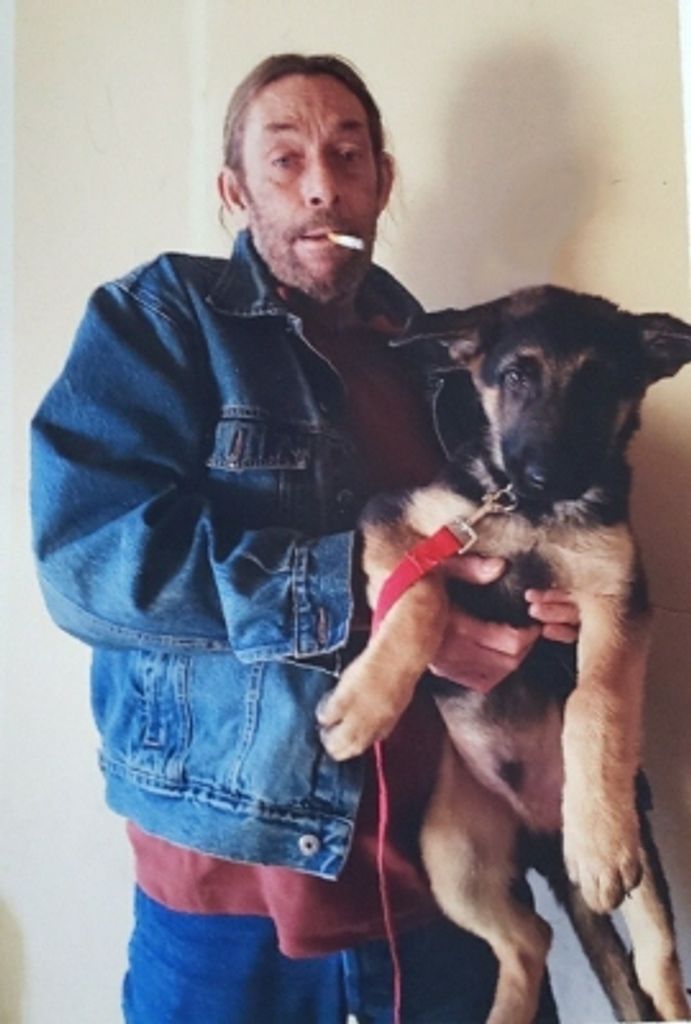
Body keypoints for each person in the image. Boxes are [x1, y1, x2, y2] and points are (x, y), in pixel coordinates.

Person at [31, 53, 578, 1024]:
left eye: (348, 155)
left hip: (450, 882)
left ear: (382, 181)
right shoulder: (161, 318)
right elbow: (92, 565)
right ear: (234, 192)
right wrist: (387, 614)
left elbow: (501, 548)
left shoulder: (454, 359)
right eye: (285, 159)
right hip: (230, 894)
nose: (323, 184)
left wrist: (541, 616)